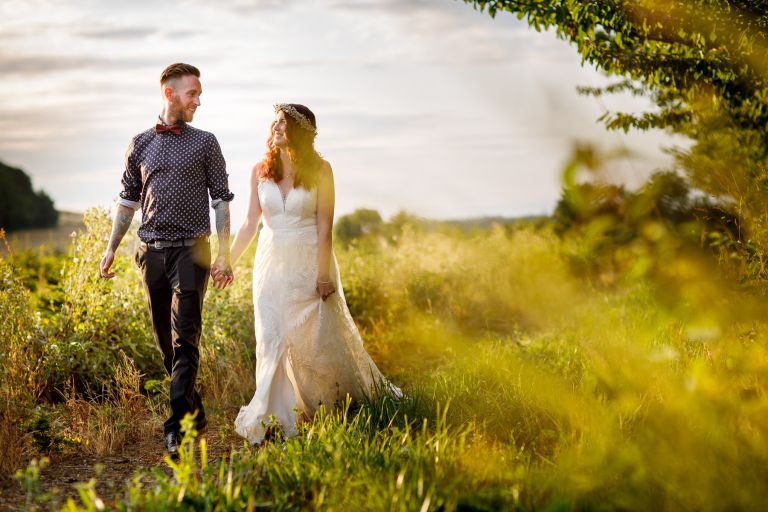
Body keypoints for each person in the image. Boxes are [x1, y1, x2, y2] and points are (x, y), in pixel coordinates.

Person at [230, 103, 399, 445]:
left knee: (316, 339)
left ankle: (327, 403)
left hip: (309, 262)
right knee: (273, 335)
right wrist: (227, 260)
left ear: (300, 131)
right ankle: (277, 412)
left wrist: (324, 275)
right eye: (274, 122)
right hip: (271, 265)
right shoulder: (259, 170)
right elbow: (250, 223)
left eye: (283, 124)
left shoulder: (322, 170)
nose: (275, 128)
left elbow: (325, 228)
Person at [99, 63, 235, 460]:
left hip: (193, 251)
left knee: (186, 337)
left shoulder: (206, 142)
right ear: (169, 94)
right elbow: (127, 201)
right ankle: (194, 412)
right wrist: (111, 248)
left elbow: (221, 200)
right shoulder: (139, 143)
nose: (199, 100)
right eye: (192, 93)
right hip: (151, 253)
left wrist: (224, 253)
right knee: (166, 344)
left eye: (199, 94)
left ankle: (176, 428)